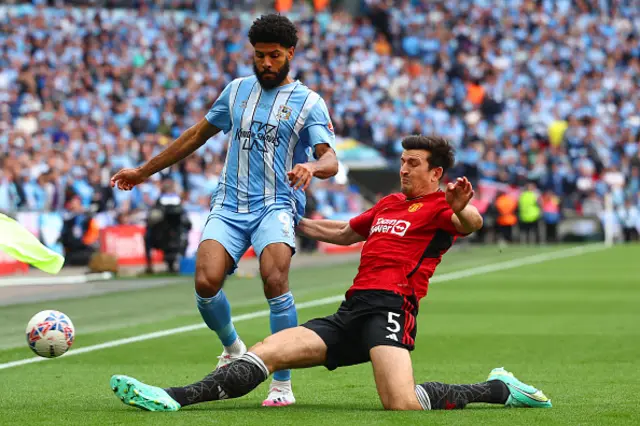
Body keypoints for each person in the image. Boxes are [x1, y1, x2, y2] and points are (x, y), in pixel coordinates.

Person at [110, 136, 552, 412]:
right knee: (268, 350)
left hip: (391, 310)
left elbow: (469, 224)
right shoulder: (388, 204)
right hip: (351, 310)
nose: (403, 168)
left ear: (436, 172)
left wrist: (462, 208)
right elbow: (342, 232)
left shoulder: (443, 207)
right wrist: (286, 220)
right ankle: (174, 396)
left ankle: (496, 389)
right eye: (402, 160)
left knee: (400, 403)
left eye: (413, 163)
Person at [110, 14, 338, 407]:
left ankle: (281, 383)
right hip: (230, 203)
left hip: (275, 204)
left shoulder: (309, 102)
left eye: (274, 56)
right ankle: (233, 347)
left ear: (290, 55)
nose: (266, 63)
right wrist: (144, 171)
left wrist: (312, 167)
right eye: (260, 55)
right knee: (205, 282)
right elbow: (197, 135)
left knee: (274, 279)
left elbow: (330, 159)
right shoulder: (235, 91)